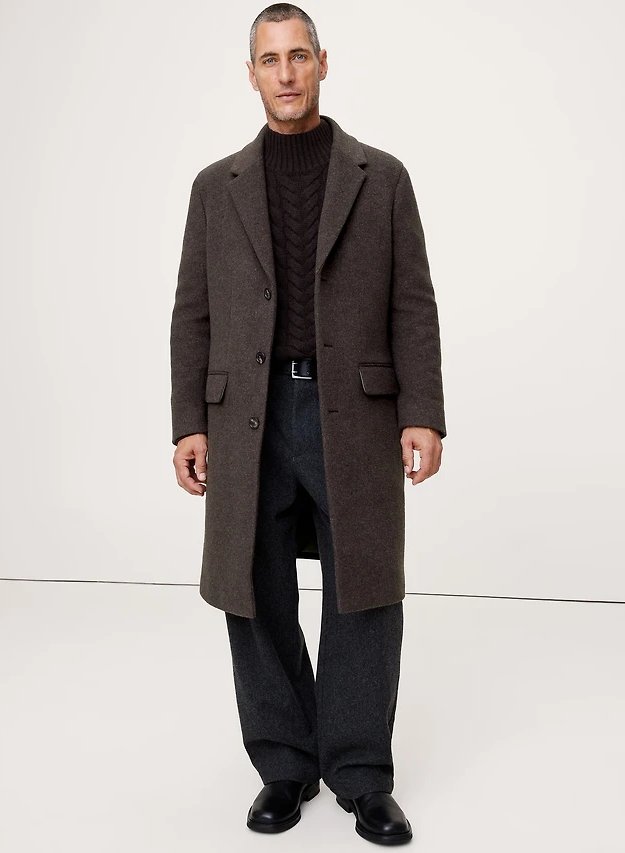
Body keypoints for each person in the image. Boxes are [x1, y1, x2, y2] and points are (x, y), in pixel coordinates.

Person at [170, 3, 446, 845]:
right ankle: (285, 765)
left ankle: (361, 773)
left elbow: (413, 302)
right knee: (253, 587)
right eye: (270, 59)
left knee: (367, 586)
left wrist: (423, 411)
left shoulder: (381, 177)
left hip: (353, 412)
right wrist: (188, 422)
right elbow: (192, 313)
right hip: (245, 416)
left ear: (324, 63)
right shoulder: (215, 187)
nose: (286, 73)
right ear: (251, 74)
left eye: (299, 56)